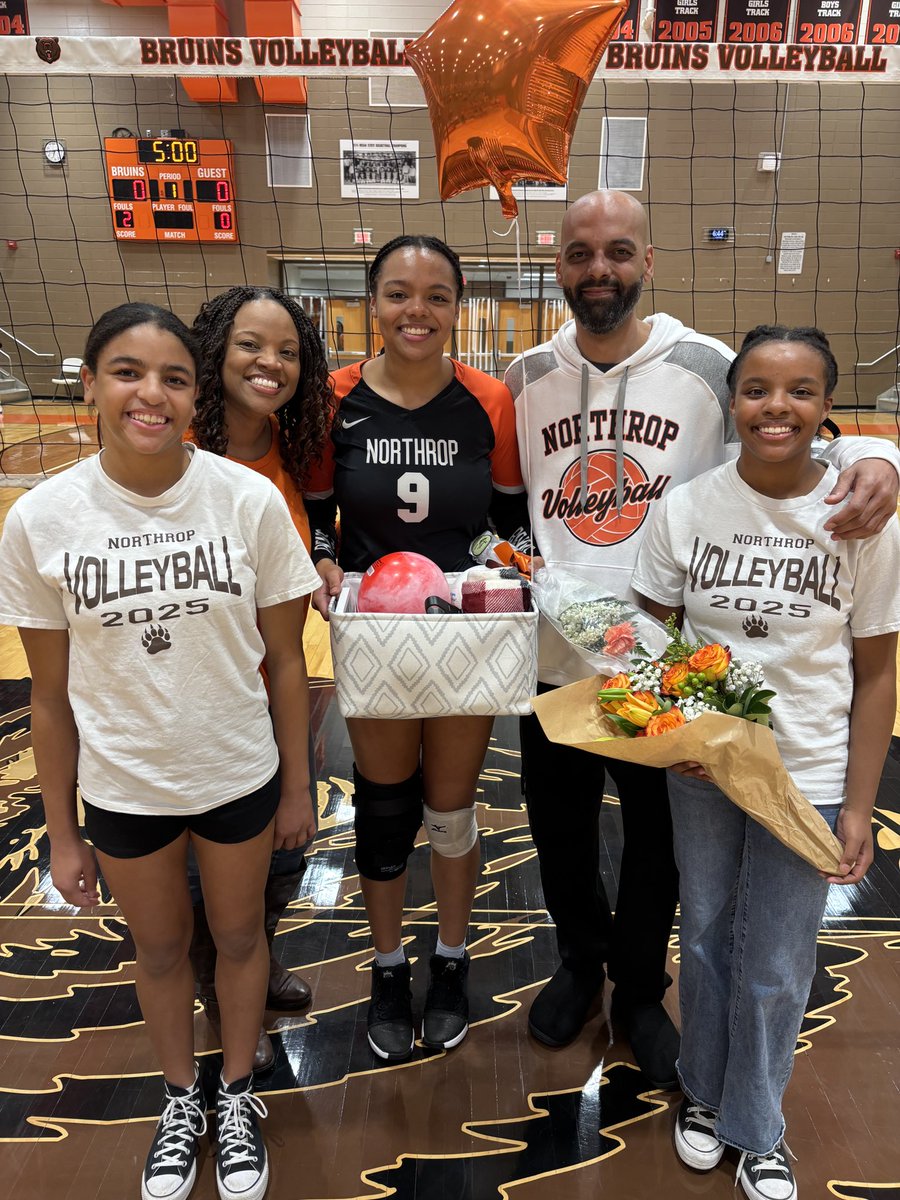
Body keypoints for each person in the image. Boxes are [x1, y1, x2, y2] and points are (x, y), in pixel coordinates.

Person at [505, 190, 900, 1087]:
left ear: (649, 262)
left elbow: (796, 435)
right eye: (578, 253)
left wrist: (882, 455)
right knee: (560, 833)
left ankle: (641, 990)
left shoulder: (705, 363)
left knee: (658, 848)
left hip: (669, 665)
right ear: (557, 264)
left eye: (617, 252)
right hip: (555, 662)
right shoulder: (527, 377)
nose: (597, 269)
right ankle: (579, 967)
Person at [0, 303, 321, 1200]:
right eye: (128, 373)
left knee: (239, 935)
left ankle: (240, 1091)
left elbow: (289, 664)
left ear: (195, 394)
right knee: (161, 950)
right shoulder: (43, 519)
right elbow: (50, 699)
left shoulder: (247, 500)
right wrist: (61, 834)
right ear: (92, 384)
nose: (152, 393)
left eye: (174, 377)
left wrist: (299, 788)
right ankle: (182, 1098)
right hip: (125, 786)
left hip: (236, 771)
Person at [631, 325, 900, 1200]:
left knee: (779, 963)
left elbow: (877, 671)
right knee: (705, 937)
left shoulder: (862, 517)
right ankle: (705, 1098)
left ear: (828, 407)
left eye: (800, 390)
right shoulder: (687, 508)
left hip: (810, 773)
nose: (775, 407)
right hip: (708, 770)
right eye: (756, 389)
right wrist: (681, 733)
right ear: (732, 401)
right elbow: (648, 640)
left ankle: (761, 1124)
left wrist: (858, 807)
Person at [308, 234, 528, 1063]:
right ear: (373, 302)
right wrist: (325, 559)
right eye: (399, 293)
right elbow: (315, 509)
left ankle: (451, 958)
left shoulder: (488, 400)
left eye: (437, 295)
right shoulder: (331, 397)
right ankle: (389, 966)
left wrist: (521, 565)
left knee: (450, 810)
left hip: (464, 635)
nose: (417, 311)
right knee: (384, 807)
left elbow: (511, 522)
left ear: (458, 306)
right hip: (374, 633)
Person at [189, 285, 332, 1072]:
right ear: (214, 351)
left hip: (273, 685)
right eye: (250, 344)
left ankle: (258, 965)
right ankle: (223, 1021)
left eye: (287, 350)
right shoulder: (171, 444)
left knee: (283, 848)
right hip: (191, 703)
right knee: (200, 878)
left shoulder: (292, 449)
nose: (269, 363)